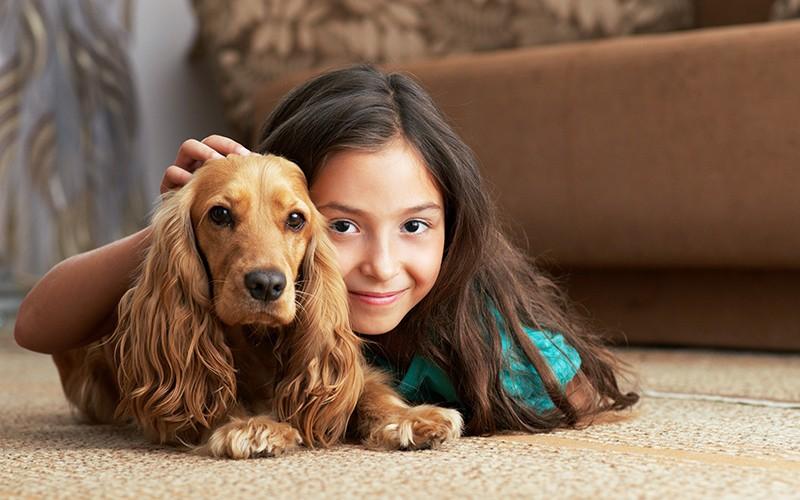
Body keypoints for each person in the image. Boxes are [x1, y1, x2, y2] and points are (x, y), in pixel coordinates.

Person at [14, 64, 638, 435]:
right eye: (340, 226)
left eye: (415, 226)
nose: (382, 264)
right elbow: (37, 326)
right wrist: (186, 217)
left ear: (454, 225)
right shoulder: (223, 273)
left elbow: (575, 392)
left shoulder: (470, 320)